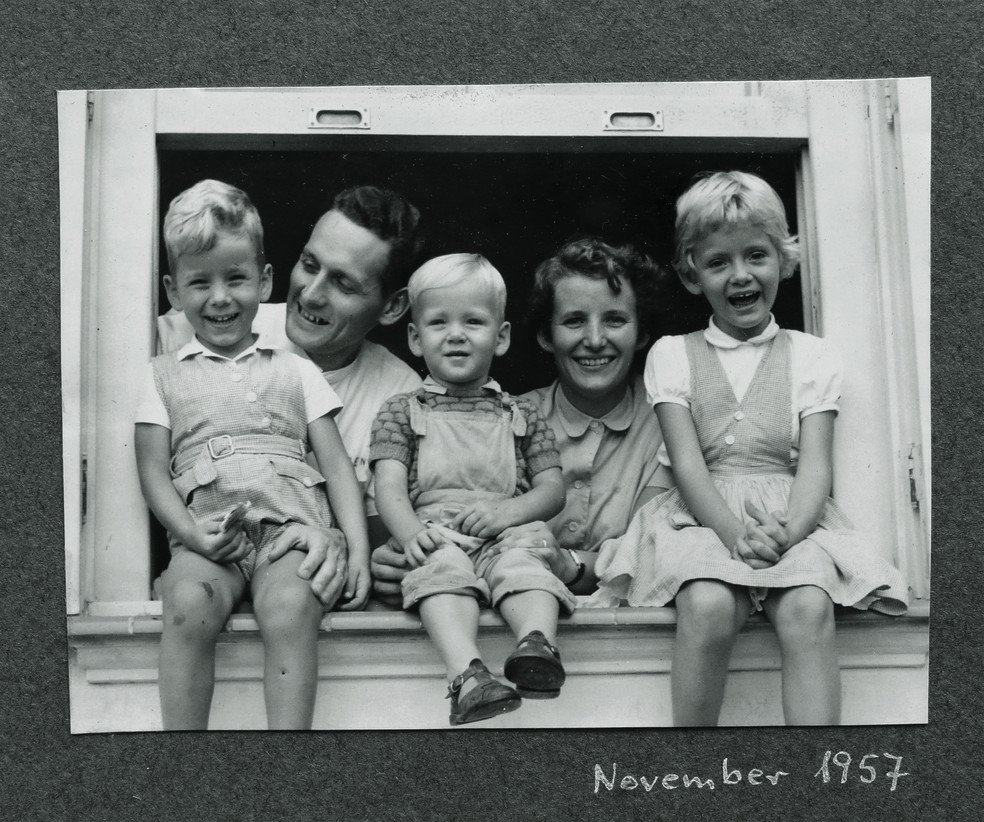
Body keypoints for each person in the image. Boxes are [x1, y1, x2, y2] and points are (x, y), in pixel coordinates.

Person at [593, 171, 910, 726]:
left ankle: (814, 773)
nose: (740, 276)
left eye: (756, 256)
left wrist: (787, 533)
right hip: (703, 515)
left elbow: (815, 467)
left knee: (809, 604)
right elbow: (688, 467)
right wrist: (737, 538)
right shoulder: (672, 355)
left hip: (793, 515)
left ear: (782, 260)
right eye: (718, 262)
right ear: (693, 274)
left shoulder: (812, 357)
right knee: (709, 604)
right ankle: (691, 763)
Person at [134, 180, 372, 729]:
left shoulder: (295, 368)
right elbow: (152, 471)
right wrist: (190, 536)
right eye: (200, 283)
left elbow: (337, 467)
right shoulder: (162, 376)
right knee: (188, 600)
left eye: (236, 278)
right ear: (174, 291)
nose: (220, 298)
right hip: (210, 534)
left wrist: (355, 551)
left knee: (291, 605)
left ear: (263, 280)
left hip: (290, 531)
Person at [158, 185, 426, 599]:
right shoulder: (207, 326)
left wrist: (342, 542)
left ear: (392, 307)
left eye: (343, 283)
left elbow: (378, 548)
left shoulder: (403, 396)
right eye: (309, 264)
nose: (311, 293)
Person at [371, 238, 670, 599]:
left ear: (642, 333)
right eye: (574, 320)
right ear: (546, 336)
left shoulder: (667, 425)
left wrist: (568, 564)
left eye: (615, 320)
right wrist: (400, 560)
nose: (594, 339)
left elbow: (649, 558)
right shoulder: (507, 418)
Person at [370, 254, 572, 725]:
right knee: (440, 573)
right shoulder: (401, 411)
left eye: (473, 322)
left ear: (500, 337)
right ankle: (467, 675)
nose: (456, 334)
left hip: (504, 532)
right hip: (437, 531)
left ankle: (537, 645)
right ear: (416, 338)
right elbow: (388, 486)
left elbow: (552, 489)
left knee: (527, 566)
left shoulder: (521, 412)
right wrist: (408, 533)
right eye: (439, 322)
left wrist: (509, 514)